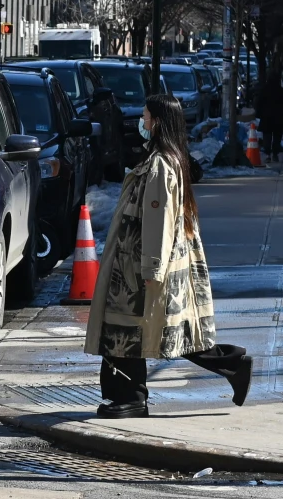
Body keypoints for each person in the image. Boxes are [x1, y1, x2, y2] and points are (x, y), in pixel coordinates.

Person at [87, 94, 252, 417]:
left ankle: (131, 398)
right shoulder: (164, 159)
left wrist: (152, 268)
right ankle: (231, 363)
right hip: (141, 262)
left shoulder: (162, 165)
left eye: (147, 117)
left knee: (133, 329)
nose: (142, 123)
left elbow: (158, 220)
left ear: (158, 122)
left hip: (140, 265)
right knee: (167, 330)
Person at [254, 71, 283, 164]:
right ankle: (275, 154)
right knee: (277, 136)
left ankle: (268, 154)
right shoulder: (281, 91)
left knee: (267, 136)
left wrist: (259, 114)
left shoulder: (264, 90)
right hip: (278, 117)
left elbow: (258, 103)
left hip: (266, 117)